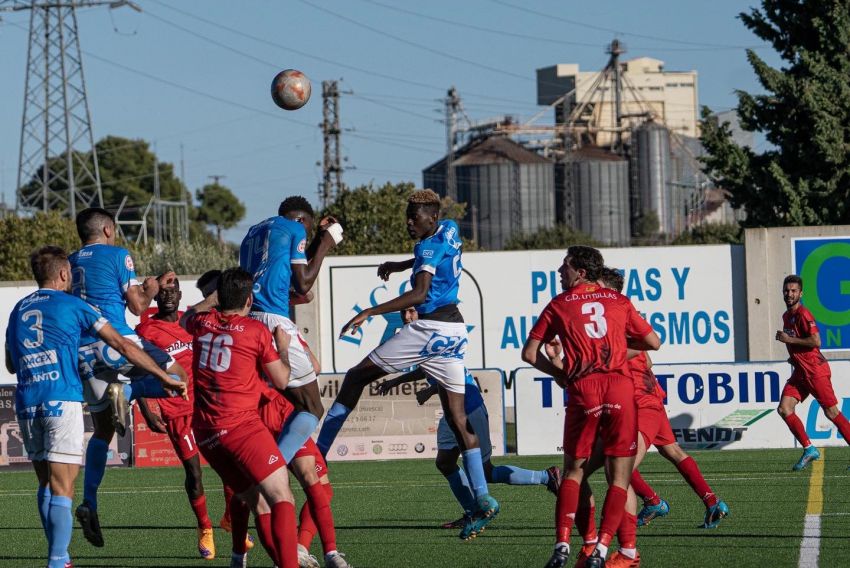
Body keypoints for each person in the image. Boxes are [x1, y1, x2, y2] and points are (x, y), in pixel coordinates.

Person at [317, 189, 500, 540]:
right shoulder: (447, 228)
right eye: (408, 216)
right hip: (455, 330)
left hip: (429, 328)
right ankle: (483, 498)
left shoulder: (426, 246)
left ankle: (320, 454)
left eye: (413, 217)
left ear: (430, 217)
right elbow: (434, 258)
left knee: (355, 377)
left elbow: (418, 294)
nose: (408, 222)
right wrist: (399, 265)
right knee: (457, 418)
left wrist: (370, 311)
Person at [5, 246, 183, 568]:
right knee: (63, 486)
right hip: (62, 398)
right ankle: (58, 561)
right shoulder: (74, 304)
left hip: (27, 402)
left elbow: (10, 364)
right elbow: (122, 344)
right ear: (62, 274)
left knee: (45, 484)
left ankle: (60, 557)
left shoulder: (18, 309)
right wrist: (161, 377)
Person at [522, 246, 660, 568]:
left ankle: (563, 544)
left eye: (564, 266)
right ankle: (604, 549)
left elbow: (529, 354)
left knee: (574, 471)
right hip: (619, 387)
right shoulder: (620, 302)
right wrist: (615, 353)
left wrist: (563, 374)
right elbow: (653, 342)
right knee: (619, 479)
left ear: (581, 272)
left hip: (584, 389)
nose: (559, 272)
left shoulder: (558, 304)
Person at [377, 307, 561, 530]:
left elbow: (448, 374)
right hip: (451, 411)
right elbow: (426, 369)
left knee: (486, 471)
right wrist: (395, 382)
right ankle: (473, 511)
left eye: (412, 311)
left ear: (422, 313)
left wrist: (429, 390)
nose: (407, 316)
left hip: (468, 405)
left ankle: (545, 477)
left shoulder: (435, 334)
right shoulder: (423, 336)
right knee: (445, 462)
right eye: (404, 312)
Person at [69, 208, 187, 547]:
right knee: (177, 375)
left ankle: (89, 501)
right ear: (108, 229)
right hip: (114, 341)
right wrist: (149, 288)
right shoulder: (119, 254)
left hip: (83, 353)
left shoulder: (72, 261)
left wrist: (149, 286)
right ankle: (130, 389)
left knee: (103, 431)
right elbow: (137, 306)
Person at [180, 267, 298, 568]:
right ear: (249, 301)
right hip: (241, 427)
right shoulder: (256, 331)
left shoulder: (202, 323)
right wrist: (282, 349)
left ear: (218, 298)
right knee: (282, 496)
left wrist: (211, 301)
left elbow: (186, 316)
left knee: (259, 504)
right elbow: (282, 380)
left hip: (206, 434)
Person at [136, 276, 244, 560]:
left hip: (210, 406)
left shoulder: (194, 322)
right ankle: (204, 527)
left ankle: (231, 520)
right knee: (194, 474)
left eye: (173, 291)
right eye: (164, 292)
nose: (169, 296)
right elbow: (137, 368)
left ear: (181, 294)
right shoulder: (145, 330)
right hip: (177, 410)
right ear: (156, 297)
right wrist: (147, 409)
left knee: (230, 466)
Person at [239, 196, 341, 468]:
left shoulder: (254, 232)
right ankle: (271, 469)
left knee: (276, 400)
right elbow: (304, 281)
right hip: (275, 323)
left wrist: (318, 238)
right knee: (312, 407)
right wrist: (327, 244)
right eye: (306, 231)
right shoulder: (295, 228)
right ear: (301, 221)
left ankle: (267, 464)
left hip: (249, 321)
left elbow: (281, 272)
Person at [775, 274, 850, 470]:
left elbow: (816, 341)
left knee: (831, 412)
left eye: (793, 291)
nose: (789, 294)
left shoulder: (803, 314)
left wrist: (789, 341)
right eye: (787, 290)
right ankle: (809, 449)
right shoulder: (786, 316)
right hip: (801, 372)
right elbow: (798, 341)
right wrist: (794, 356)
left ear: (801, 293)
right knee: (784, 409)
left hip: (815, 371)